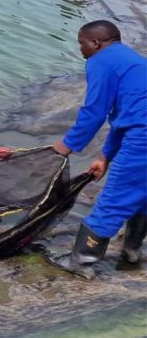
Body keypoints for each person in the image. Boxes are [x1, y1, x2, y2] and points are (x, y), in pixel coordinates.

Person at [49, 20, 146, 276]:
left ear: (95, 43)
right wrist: (105, 157)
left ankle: (81, 261)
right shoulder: (129, 60)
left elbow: (95, 112)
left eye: (81, 43)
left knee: (114, 198)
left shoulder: (100, 61)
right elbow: (122, 119)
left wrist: (64, 146)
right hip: (139, 131)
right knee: (142, 194)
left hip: (143, 138)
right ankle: (132, 250)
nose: (80, 49)